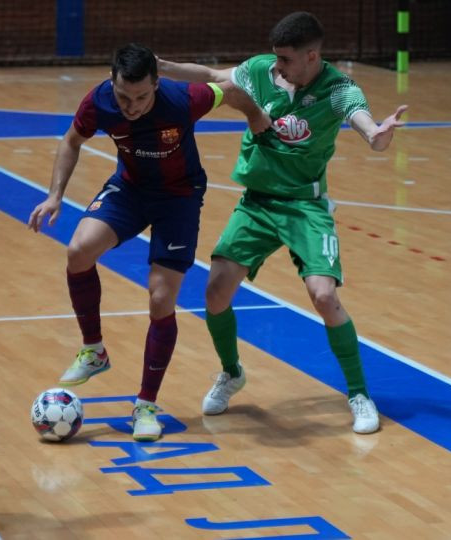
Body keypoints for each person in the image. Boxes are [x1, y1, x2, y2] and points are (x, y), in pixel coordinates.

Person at [158, 11, 407, 434]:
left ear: (312, 56)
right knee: (215, 293)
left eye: (286, 60)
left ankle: (360, 394)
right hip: (256, 204)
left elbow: (362, 120)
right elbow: (213, 74)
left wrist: (377, 135)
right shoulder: (261, 71)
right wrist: (163, 68)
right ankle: (232, 372)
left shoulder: (338, 89)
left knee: (324, 297)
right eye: (275, 57)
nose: (277, 66)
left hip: (304, 207)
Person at [28, 43, 269, 442]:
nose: (132, 106)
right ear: (112, 81)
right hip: (130, 188)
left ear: (157, 84)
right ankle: (94, 350)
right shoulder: (100, 101)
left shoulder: (183, 98)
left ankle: (145, 405)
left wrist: (257, 117)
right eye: (124, 96)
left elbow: (230, 88)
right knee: (78, 251)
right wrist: (55, 195)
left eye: (141, 96)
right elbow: (71, 141)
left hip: (179, 197)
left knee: (160, 298)